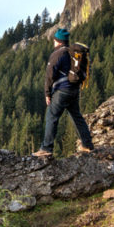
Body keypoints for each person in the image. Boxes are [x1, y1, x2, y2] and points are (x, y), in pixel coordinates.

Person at [33, 28, 94, 157]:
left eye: (54, 40)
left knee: (52, 117)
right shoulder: (72, 53)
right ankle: (87, 145)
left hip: (61, 91)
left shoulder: (57, 54)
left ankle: (46, 148)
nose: (53, 43)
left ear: (58, 41)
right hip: (74, 90)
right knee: (77, 117)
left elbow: (50, 75)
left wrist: (47, 93)